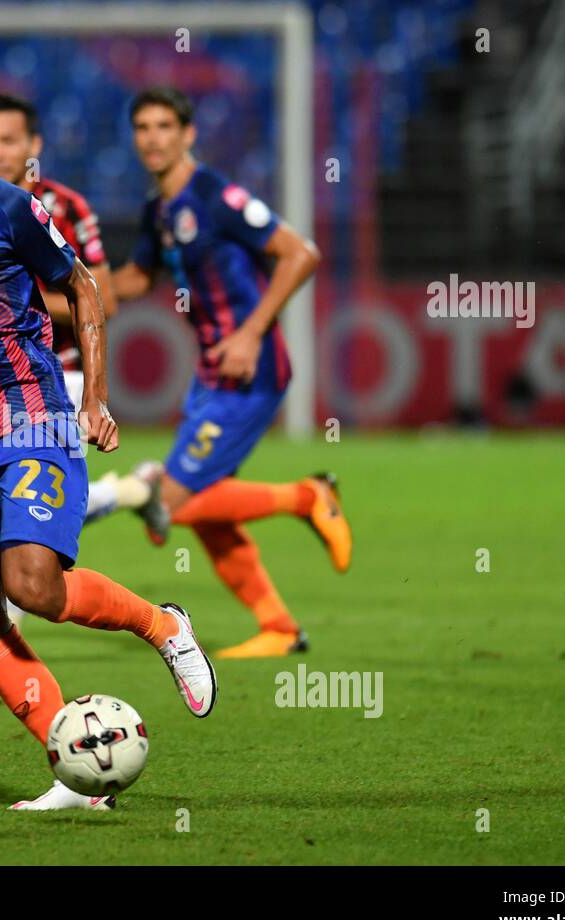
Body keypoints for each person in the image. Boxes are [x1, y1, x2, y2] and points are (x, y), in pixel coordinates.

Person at [0, 56, 216, 810]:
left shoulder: (10, 206)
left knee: (34, 588)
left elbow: (83, 285)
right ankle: (79, 767)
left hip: (29, 416)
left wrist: (97, 401)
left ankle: (162, 623)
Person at [110, 86, 352, 659]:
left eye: (165, 126)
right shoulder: (159, 210)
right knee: (209, 509)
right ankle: (279, 627)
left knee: (173, 502)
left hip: (251, 367)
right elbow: (137, 281)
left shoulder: (216, 195)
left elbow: (301, 253)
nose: (153, 138)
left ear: (188, 134)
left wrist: (249, 333)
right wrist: (66, 283)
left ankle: (308, 495)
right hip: (212, 375)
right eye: (142, 127)